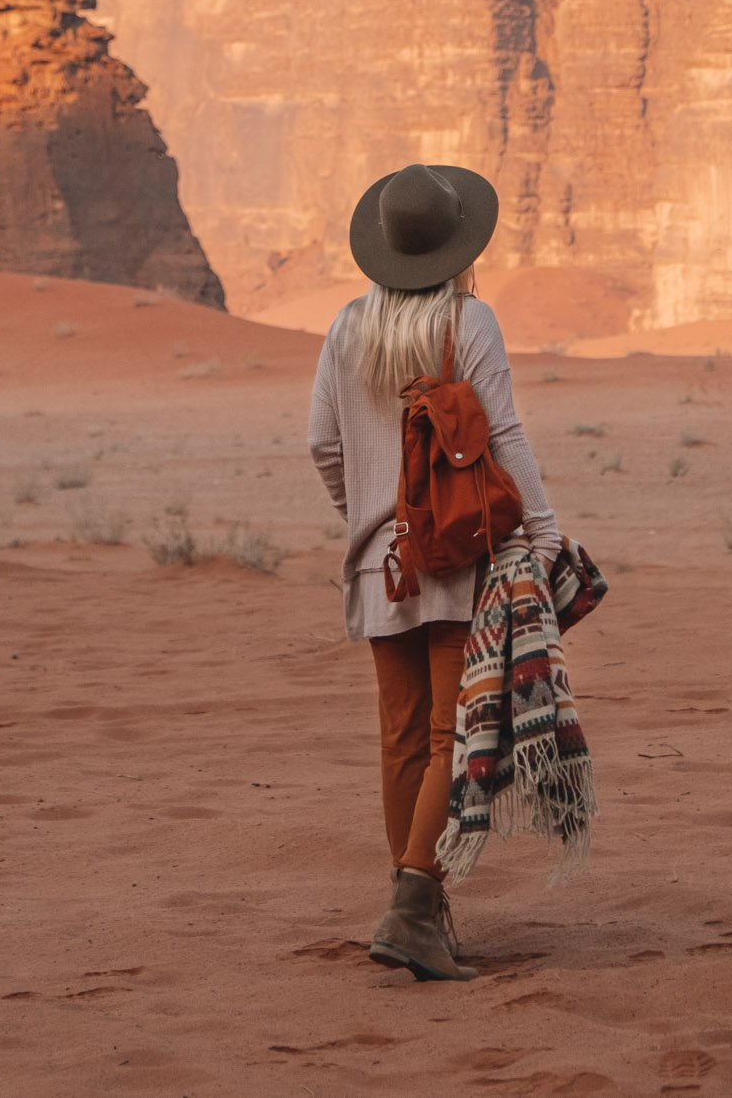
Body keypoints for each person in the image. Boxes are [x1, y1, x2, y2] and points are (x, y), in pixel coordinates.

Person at [307, 162, 562, 982]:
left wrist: (368, 517)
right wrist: (545, 530)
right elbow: (507, 435)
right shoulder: (468, 318)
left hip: (378, 565)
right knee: (455, 738)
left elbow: (322, 444)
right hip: (456, 559)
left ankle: (415, 907)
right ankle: (415, 899)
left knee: (401, 740)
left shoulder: (347, 327)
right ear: (456, 245)